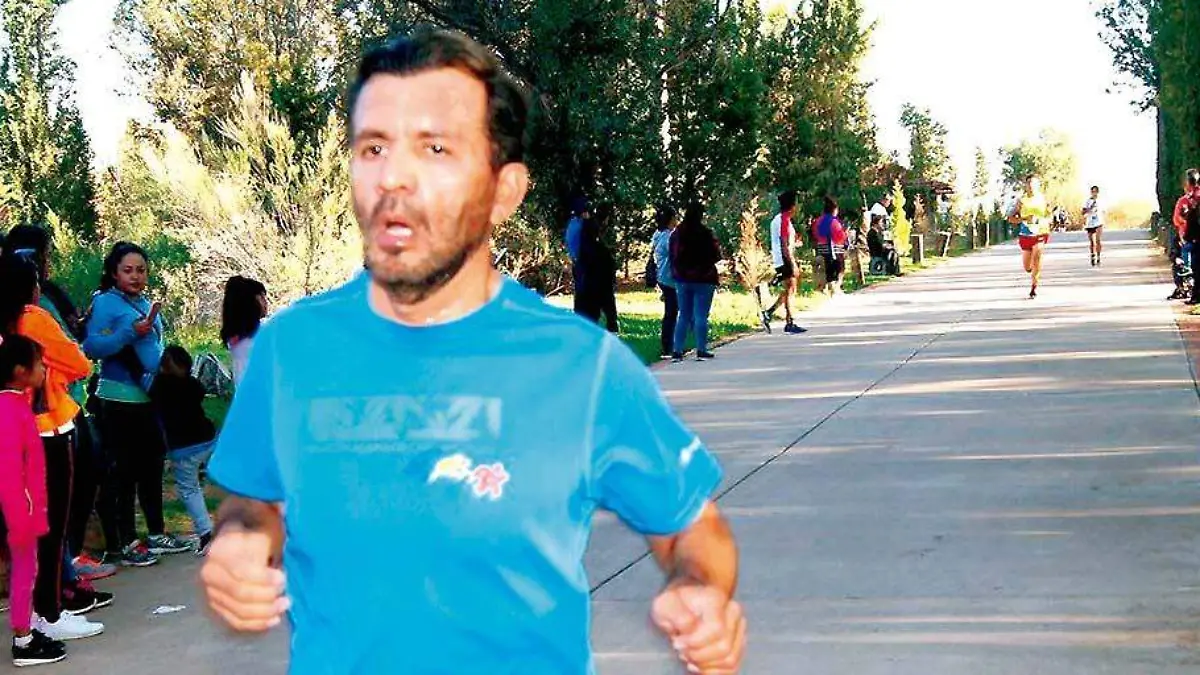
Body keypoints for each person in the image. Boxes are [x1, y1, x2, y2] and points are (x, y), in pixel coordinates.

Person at [201, 28, 744, 675]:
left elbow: (691, 526)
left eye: (434, 147)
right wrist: (240, 540)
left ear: (504, 190)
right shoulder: (291, 348)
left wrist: (699, 588)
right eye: (373, 147)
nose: (393, 177)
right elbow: (253, 497)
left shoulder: (583, 366)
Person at [1, 226, 116, 584]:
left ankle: (43, 597)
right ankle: (59, 594)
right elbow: (79, 363)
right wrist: (60, 370)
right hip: (50, 421)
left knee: (32, 509)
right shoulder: (34, 317)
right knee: (57, 506)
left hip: (18, 419)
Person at [83, 243, 191, 566]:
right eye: (128, 270)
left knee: (152, 466)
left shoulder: (144, 302)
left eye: (141, 270)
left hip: (147, 399)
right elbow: (91, 346)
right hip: (117, 401)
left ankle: (156, 534)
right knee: (125, 472)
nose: (135, 276)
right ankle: (127, 542)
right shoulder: (104, 303)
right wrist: (129, 333)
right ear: (114, 272)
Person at [0, 334, 67, 667]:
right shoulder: (10, 411)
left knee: (25, 570)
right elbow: (11, 471)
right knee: (25, 571)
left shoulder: (15, 405)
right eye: (39, 364)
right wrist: (22, 518)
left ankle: (25, 633)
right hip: (20, 513)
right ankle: (23, 641)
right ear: (19, 370)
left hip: (22, 510)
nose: (44, 369)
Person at [151, 346, 217, 555]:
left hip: (183, 448)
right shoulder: (193, 385)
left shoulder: (159, 386)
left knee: (189, 489)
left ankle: (207, 534)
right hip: (207, 439)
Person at [671, 202, 723, 362]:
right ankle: (701, 349)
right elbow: (716, 255)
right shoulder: (706, 233)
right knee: (701, 315)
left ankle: (677, 351)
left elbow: (672, 254)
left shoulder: (678, 233)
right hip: (704, 278)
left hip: (683, 278)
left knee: (683, 315)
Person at [762, 190, 807, 335]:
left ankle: (769, 313)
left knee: (789, 289)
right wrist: (792, 263)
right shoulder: (784, 220)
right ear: (792, 205)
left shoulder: (780, 219)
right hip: (784, 259)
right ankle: (789, 322)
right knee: (790, 289)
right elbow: (784, 244)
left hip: (781, 258)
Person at [577, 206, 619, 333]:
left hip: (588, 287)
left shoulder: (582, 250)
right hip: (602, 288)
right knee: (610, 315)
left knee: (590, 318)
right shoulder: (602, 250)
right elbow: (610, 270)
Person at [220, 276, 268, 386]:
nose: (266, 302)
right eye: (261, 297)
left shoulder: (234, 335)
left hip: (244, 395)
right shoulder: (263, 333)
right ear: (250, 302)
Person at [1010, 175, 1050, 299]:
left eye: (1034, 184)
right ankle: (1031, 270)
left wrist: (1044, 220)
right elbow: (1011, 218)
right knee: (1027, 266)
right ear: (1026, 186)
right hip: (1026, 234)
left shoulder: (1043, 200)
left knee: (1037, 257)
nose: (1031, 186)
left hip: (1040, 233)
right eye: (1029, 184)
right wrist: (1025, 218)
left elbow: (1050, 215)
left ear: (1038, 185)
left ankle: (1034, 287)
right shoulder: (1021, 201)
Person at [651, 205, 679, 358]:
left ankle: (672, 344)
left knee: (673, 311)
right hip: (670, 278)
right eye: (675, 217)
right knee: (671, 313)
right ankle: (668, 346)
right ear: (670, 219)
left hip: (662, 276)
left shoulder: (657, 234)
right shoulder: (668, 237)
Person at [811, 196, 849, 296]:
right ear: (834, 210)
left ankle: (827, 287)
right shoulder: (834, 222)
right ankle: (836, 286)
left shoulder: (818, 221)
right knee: (840, 264)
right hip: (832, 250)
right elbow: (840, 236)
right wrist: (845, 235)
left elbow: (815, 234)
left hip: (821, 249)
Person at [1172, 169, 1200, 303]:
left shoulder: (1185, 200)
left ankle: (1186, 290)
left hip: (1189, 237)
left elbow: (1177, 219)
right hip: (1194, 236)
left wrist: (1184, 226)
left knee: (1187, 266)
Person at [565, 197, 591, 316]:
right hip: (583, 261)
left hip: (575, 260)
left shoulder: (571, 223)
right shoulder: (582, 225)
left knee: (579, 290)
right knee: (584, 290)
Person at [1082, 186, 1105, 266]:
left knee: (1098, 240)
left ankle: (1098, 257)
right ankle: (1092, 256)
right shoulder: (1087, 201)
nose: (1094, 193)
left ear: (1098, 192)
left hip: (1099, 222)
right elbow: (1083, 212)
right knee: (1092, 242)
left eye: (1095, 191)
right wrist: (1089, 209)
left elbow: (1104, 211)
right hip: (1090, 222)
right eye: (1092, 191)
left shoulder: (1101, 201)